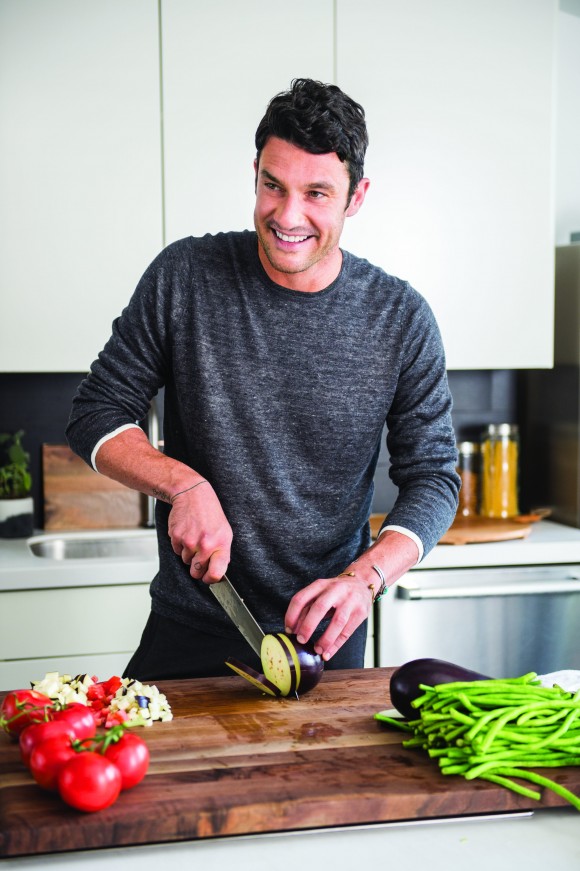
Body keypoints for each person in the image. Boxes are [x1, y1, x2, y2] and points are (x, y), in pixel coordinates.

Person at [66, 78, 460, 681]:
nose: (287, 215)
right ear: (255, 173)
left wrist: (368, 576)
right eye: (273, 185)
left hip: (324, 637)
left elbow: (433, 476)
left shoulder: (400, 319)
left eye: (317, 193)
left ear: (356, 197)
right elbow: (96, 411)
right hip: (191, 624)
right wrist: (184, 486)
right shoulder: (185, 277)